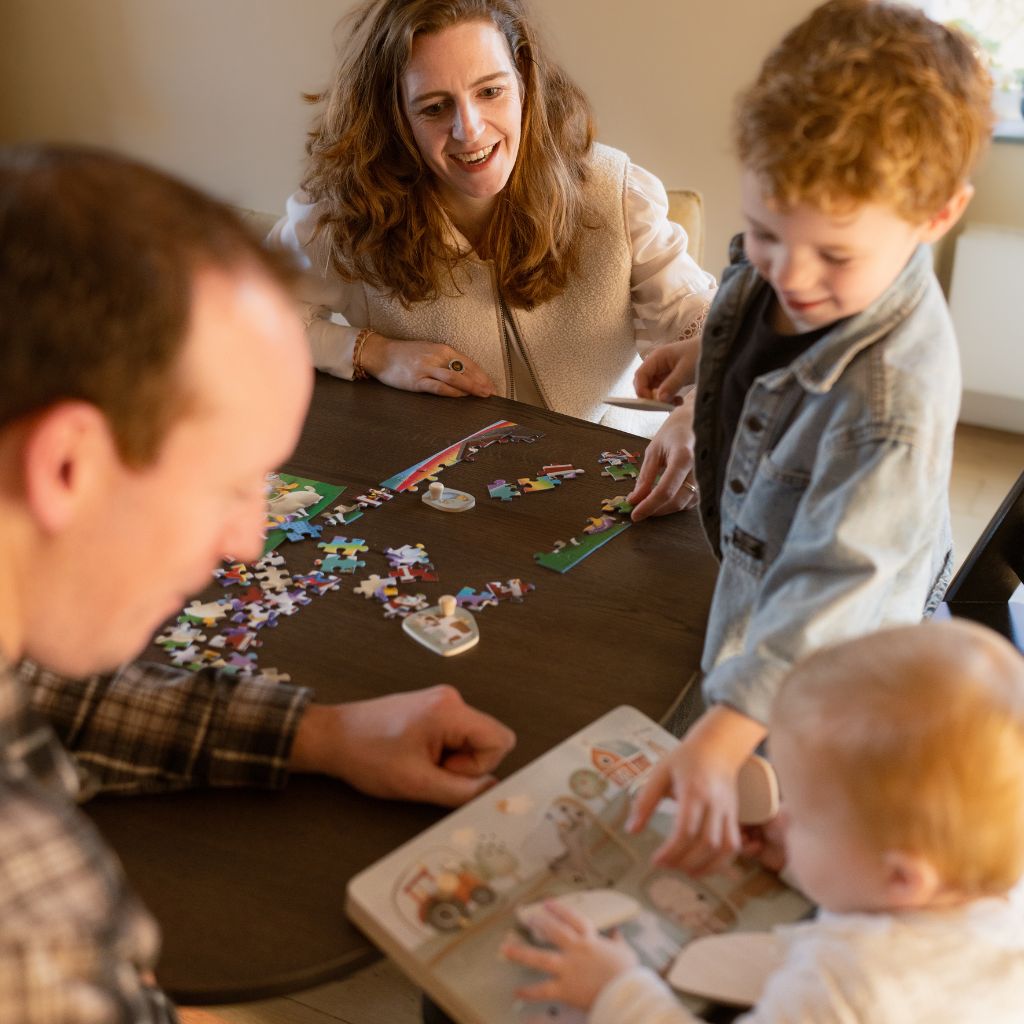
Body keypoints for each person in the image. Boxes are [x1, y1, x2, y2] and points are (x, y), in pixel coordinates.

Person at [0, 143, 514, 1018]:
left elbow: (39, 700)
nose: (248, 543)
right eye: (234, 485)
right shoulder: (32, 914)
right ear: (69, 468)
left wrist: (320, 736)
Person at [623, 0, 995, 873]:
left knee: (798, 842)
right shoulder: (798, 243)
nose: (789, 276)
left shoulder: (891, 402)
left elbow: (832, 591)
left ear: (936, 216)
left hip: (837, 655)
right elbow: (746, 295)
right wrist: (706, 353)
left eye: (832, 256)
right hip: (751, 569)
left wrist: (724, 738)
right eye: (763, 233)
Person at [267, 0, 716, 518]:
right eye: (434, 107)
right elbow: (248, 320)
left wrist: (702, 401)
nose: (470, 130)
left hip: (621, 490)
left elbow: (699, 319)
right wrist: (372, 351)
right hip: (447, 507)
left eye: (491, 91)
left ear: (524, 80)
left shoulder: (616, 193)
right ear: (394, 117)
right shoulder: (342, 216)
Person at [502, 619, 1024, 1021]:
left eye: (807, 817)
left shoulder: (844, 986)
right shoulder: (989, 878)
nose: (784, 814)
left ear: (902, 876)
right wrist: (797, 859)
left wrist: (615, 991)